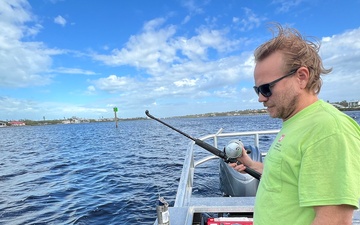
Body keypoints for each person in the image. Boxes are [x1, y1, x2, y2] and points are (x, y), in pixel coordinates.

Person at [230, 23, 360, 225]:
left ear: (301, 77)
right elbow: (289, 178)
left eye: (266, 88)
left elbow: (335, 220)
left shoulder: (328, 129)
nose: (261, 99)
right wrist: (251, 165)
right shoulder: (296, 123)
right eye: (258, 90)